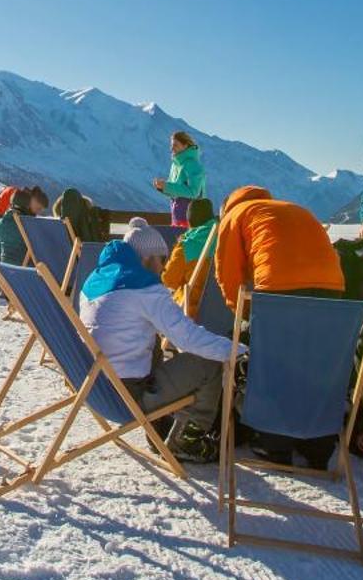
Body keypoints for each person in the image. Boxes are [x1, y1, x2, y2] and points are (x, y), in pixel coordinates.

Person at [76, 220, 237, 463]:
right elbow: (189, 338)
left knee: (155, 350)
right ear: (147, 257)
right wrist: (236, 351)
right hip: (129, 394)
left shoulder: (96, 280)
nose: (163, 267)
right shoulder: (145, 287)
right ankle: (186, 441)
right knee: (209, 363)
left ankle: (160, 430)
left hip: (96, 387)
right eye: (161, 258)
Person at [201, 186, 345, 315]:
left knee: (271, 339)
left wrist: (242, 312)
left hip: (277, 285)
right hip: (331, 282)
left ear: (224, 211)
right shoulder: (290, 207)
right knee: (316, 338)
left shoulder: (233, 215)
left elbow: (228, 272)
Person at [163, 197, 217, 314]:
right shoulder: (226, 238)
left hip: (190, 313)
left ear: (189, 221)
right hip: (224, 313)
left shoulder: (186, 245)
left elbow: (168, 280)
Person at [153, 131, 207, 228]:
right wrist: (162, 188)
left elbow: (194, 192)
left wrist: (167, 186)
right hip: (177, 215)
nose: (171, 148)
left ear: (185, 146)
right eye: (171, 145)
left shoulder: (192, 164)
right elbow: (174, 191)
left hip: (191, 216)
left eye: (175, 145)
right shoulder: (176, 164)